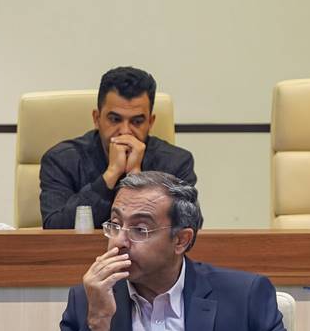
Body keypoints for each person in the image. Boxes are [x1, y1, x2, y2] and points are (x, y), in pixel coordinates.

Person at [50, 171, 310, 331]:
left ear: (181, 240)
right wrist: (98, 321)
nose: (119, 241)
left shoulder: (242, 296)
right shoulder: (89, 300)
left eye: (139, 229)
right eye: (115, 225)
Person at [39, 66, 197, 229]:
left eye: (137, 122)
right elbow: (55, 227)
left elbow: (187, 227)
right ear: (97, 118)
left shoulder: (175, 163)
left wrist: (136, 179)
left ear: (150, 122)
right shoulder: (62, 160)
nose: (125, 131)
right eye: (115, 119)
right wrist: (111, 174)